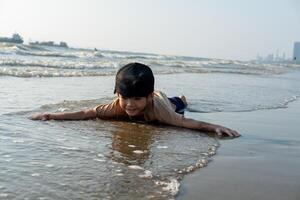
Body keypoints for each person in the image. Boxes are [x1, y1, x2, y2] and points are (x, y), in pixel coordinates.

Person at [31, 62, 240, 138]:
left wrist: (214, 127)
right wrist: (52, 115)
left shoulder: (161, 113)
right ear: (116, 93)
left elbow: (187, 123)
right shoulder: (115, 106)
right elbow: (87, 113)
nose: (130, 104)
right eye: (125, 98)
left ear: (147, 96)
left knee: (179, 105)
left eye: (137, 99)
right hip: (154, 97)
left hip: (165, 102)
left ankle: (181, 99)